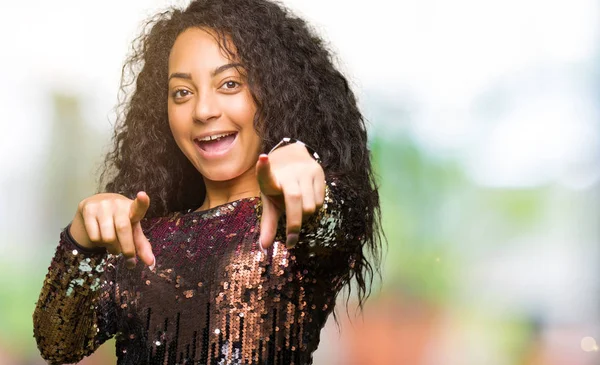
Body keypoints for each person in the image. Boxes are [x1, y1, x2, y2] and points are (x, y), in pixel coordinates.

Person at [33, 0, 382, 364]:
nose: (203, 111)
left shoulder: (293, 221)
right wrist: (80, 241)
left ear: (279, 93)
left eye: (229, 84)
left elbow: (333, 221)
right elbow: (59, 343)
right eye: (182, 92)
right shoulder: (140, 240)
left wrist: (302, 168)